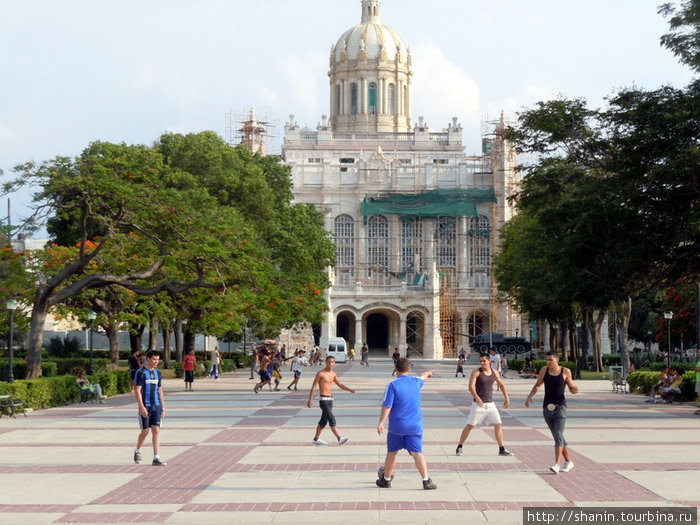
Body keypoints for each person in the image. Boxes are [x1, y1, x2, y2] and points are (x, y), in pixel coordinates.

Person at [376, 357, 437, 490]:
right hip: (414, 426)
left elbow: (387, 406)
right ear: (409, 369)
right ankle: (426, 480)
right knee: (417, 452)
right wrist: (429, 373)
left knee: (392, 452)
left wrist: (381, 422)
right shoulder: (416, 382)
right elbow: (423, 377)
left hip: (397, 427)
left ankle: (386, 480)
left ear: (395, 368)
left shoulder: (392, 385)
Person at [525, 351, 579, 474]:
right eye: (547, 360)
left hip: (560, 407)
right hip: (547, 407)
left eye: (550, 360)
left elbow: (571, 388)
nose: (548, 362)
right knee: (557, 435)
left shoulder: (565, 371)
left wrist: (574, 389)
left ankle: (557, 464)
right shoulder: (544, 370)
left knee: (558, 434)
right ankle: (569, 461)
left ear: (557, 360)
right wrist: (529, 397)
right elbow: (538, 385)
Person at [455, 354, 513, 457]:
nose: (482, 363)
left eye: (484, 361)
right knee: (470, 425)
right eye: (480, 361)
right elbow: (471, 387)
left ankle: (502, 449)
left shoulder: (494, 373)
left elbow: (501, 385)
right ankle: (460, 446)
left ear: (489, 361)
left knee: (498, 424)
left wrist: (507, 398)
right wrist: (477, 398)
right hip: (478, 405)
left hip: (490, 404)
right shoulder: (476, 372)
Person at [307, 356, 356, 445]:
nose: (330, 364)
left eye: (332, 362)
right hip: (323, 400)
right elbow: (314, 386)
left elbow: (340, 384)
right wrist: (310, 399)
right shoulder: (320, 373)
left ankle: (316, 439)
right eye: (329, 362)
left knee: (324, 420)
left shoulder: (333, 374)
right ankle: (339, 438)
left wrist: (349, 390)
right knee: (331, 418)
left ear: (334, 363)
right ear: (326, 362)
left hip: (330, 400)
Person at [134, 350, 167, 466]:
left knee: (156, 430)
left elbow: (160, 390)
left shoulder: (158, 373)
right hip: (145, 405)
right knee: (145, 431)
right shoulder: (141, 372)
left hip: (156, 405)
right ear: (148, 359)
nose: (156, 362)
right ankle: (137, 450)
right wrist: (141, 406)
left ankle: (156, 457)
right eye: (154, 359)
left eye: (157, 360)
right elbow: (137, 390)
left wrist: (163, 406)